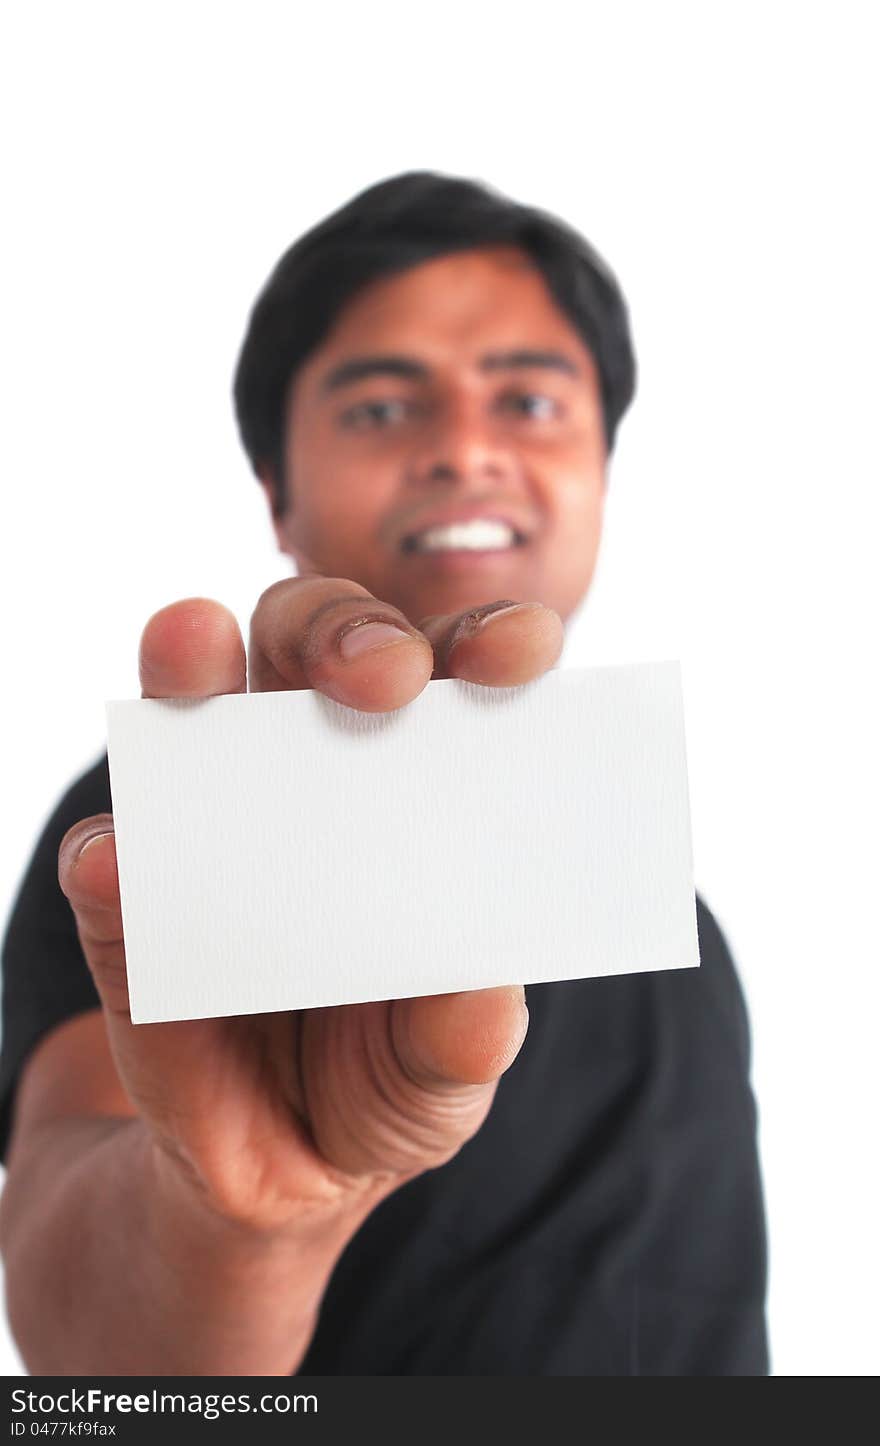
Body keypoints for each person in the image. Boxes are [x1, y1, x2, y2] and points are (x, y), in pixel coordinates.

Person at [0, 172, 769, 1376]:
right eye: (376, 409)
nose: (464, 449)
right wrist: (229, 1221)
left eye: (526, 398)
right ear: (276, 491)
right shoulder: (159, 822)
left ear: (602, 469)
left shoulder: (665, 907)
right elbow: (90, 1353)